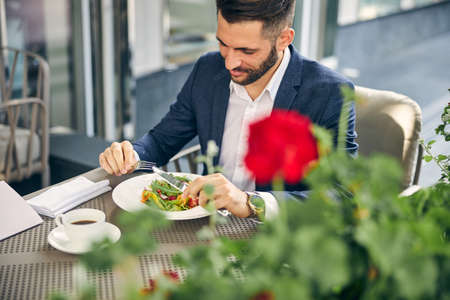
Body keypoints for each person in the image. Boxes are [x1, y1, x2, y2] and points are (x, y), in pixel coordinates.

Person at [99, 0, 358, 220]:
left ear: (283, 39)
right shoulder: (207, 69)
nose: (230, 62)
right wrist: (131, 154)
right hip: (203, 225)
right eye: (223, 43)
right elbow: (161, 141)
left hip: (277, 240)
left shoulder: (329, 93)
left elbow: (343, 194)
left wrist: (250, 203)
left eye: (246, 50)